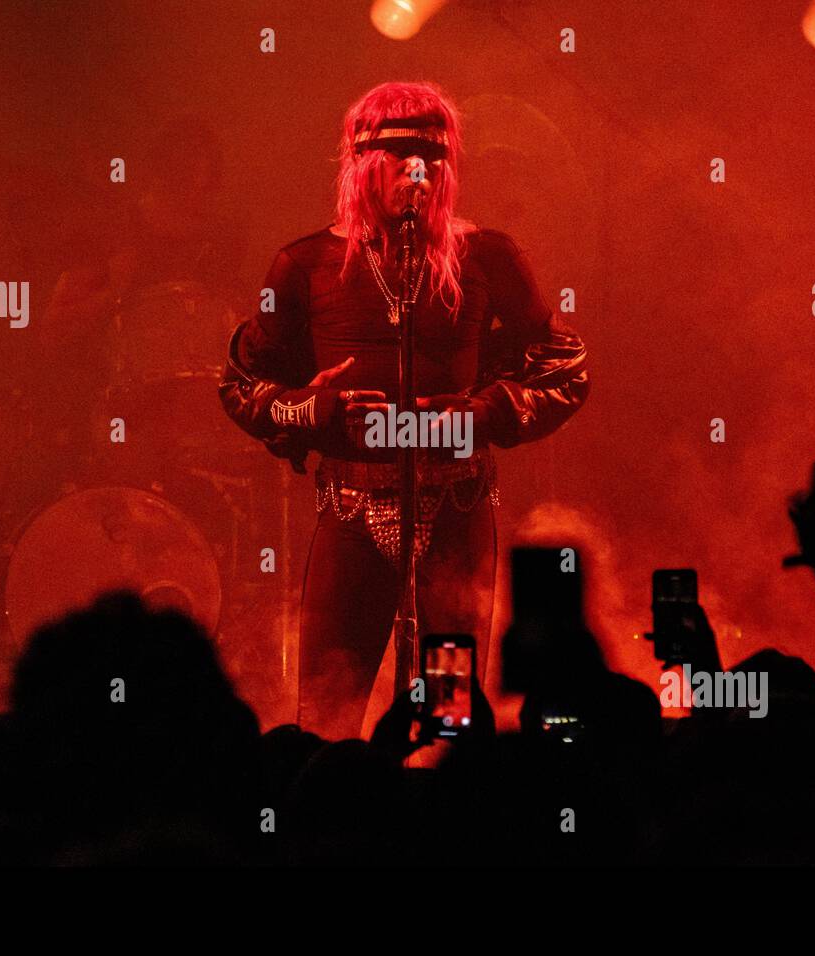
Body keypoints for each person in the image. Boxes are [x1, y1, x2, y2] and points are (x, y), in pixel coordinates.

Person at [220, 81, 589, 740]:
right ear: (363, 165)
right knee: (327, 721)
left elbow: (563, 367)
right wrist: (315, 410)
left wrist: (481, 414)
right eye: (402, 159)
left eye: (435, 159)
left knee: (450, 719)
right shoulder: (302, 265)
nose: (419, 175)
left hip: (455, 513)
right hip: (353, 512)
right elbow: (243, 385)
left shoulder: (489, 256)